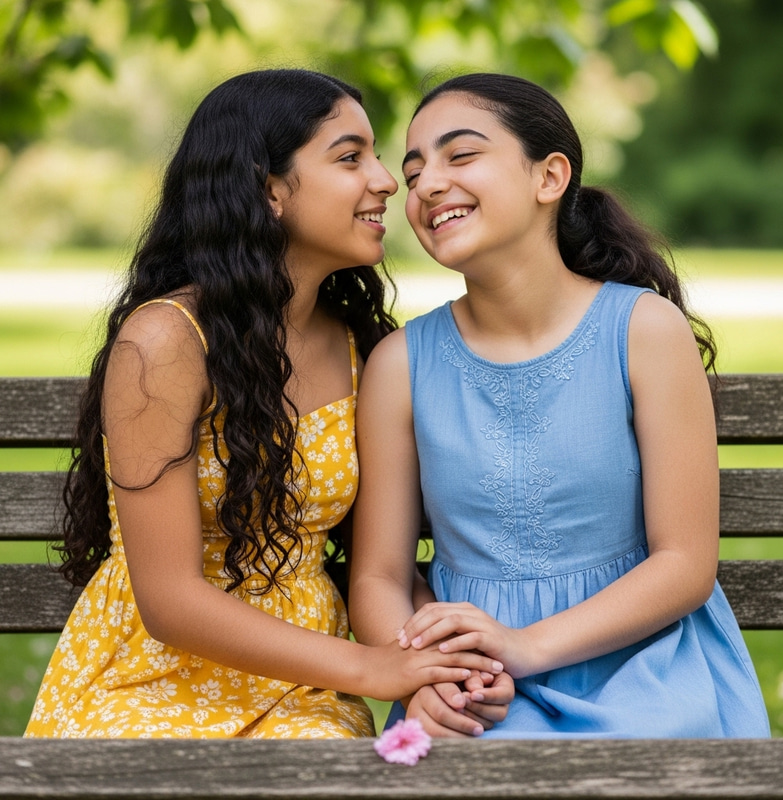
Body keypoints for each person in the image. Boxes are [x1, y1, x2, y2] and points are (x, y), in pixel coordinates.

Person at [24, 68, 505, 739]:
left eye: (375, 155)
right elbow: (168, 601)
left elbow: (380, 566)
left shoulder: (365, 349)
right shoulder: (167, 340)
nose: (388, 180)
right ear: (268, 188)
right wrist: (372, 671)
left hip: (304, 689)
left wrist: (436, 661)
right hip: (152, 678)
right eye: (349, 158)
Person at [349, 73, 771, 738]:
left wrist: (525, 645)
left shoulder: (642, 331)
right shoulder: (401, 364)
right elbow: (379, 575)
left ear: (549, 178)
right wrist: (425, 671)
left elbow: (685, 564)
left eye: (460, 156)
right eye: (414, 169)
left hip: (645, 670)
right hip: (473, 684)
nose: (426, 184)